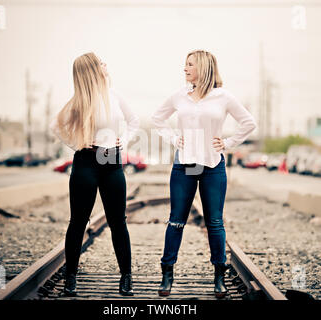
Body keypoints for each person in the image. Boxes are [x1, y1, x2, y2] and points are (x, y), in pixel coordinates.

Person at [151, 50, 257, 298]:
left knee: (215, 222)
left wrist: (228, 143)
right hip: (184, 164)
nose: (185, 69)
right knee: (176, 221)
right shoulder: (180, 96)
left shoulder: (223, 97)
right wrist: (174, 139)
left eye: (189, 65)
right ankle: (167, 274)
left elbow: (249, 123)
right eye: (185, 65)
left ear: (203, 68)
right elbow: (157, 118)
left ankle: (219, 277)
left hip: (212, 165)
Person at [50, 52, 140, 297]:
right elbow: (56, 126)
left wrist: (125, 142)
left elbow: (134, 122)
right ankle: (71, 277)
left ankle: (126, 277)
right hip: (86, 162)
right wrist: (77, 142)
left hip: (112, 161)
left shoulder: (115, 95)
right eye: (100, 62)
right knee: (78, 222)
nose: (105, 64)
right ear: (91, 70)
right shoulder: (79, 101)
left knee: (118, 222)